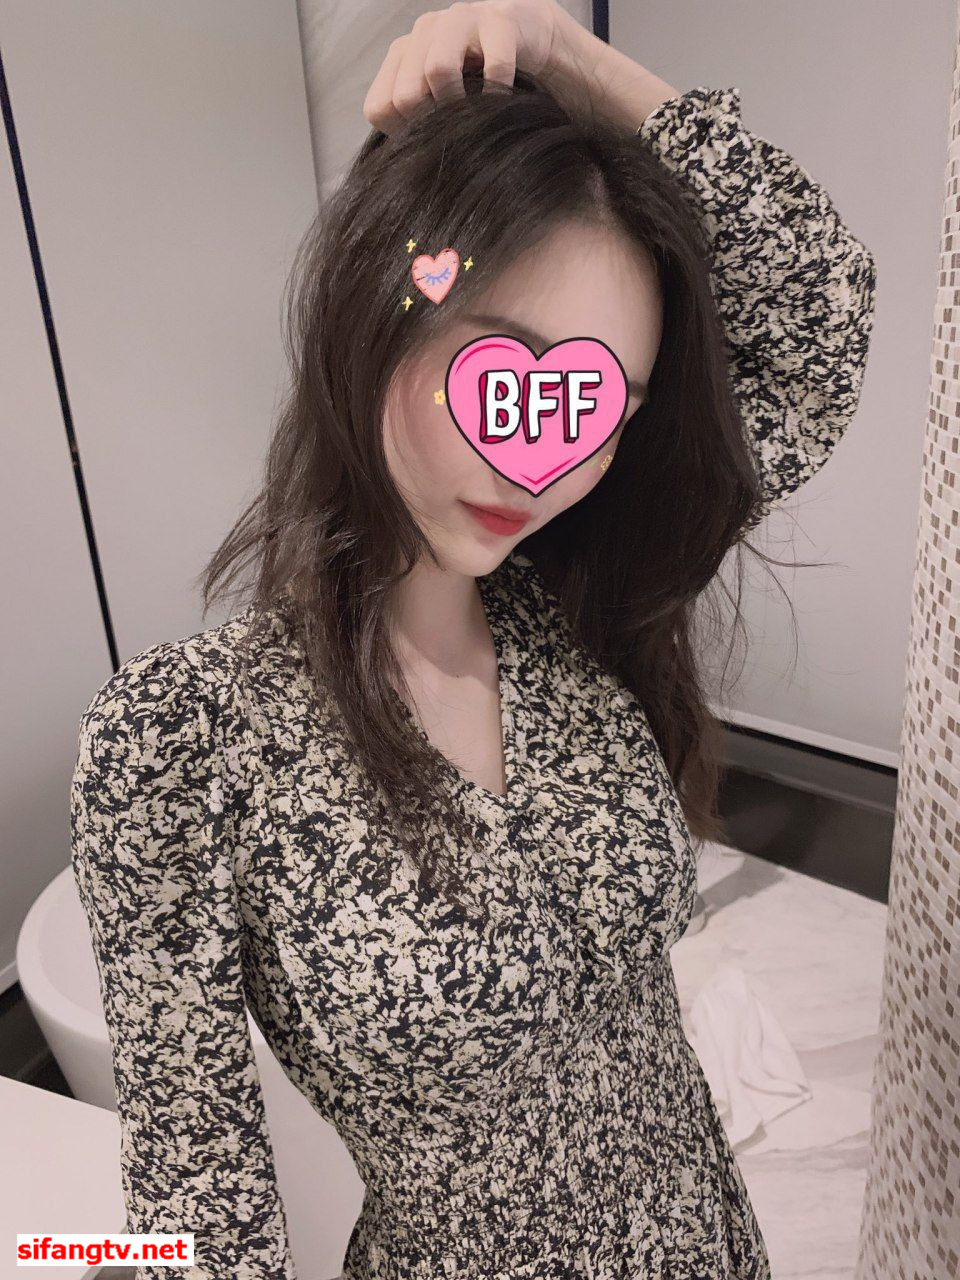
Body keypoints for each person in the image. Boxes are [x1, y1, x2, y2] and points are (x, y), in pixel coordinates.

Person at [69, 2, 878, 1277]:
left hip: (705, 1239)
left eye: (595, 406)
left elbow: (817, 309)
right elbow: (195, 1199)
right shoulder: (182, 741)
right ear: (374, 316)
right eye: (505, 377)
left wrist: (565, 54)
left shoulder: (584, 601)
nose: (539, 460)